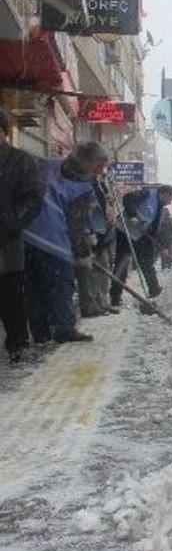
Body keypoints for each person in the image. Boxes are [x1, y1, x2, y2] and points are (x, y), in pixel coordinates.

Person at [23, 142, 110, 343]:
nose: (100, 171)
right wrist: (83, 253)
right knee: (62, 284)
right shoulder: (83, 188)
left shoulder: (47, 164)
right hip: (53, 241)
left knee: (36, 287)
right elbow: (75, 225)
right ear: (87, 162)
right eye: (98, 165)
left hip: (27, 234)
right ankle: (64, 329)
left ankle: (41, 332)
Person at [0, 109, 45, 362]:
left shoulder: (20, 161)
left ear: (4, 132)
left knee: (10, 297)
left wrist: (12, 221)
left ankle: (17, 343)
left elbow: (33, 198)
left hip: (6, 242)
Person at [110, 184, 172, 308]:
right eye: (171, 198)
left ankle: (154, 291)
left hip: (142, 235)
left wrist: (160, 247)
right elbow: (128, 199)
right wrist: (133, 216)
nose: (170, 202)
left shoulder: (161, 209)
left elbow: (155, 229)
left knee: (147, 263)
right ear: (164, 194)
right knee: (122, 263)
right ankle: (115, 296)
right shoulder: (146, 193)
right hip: (125, 232)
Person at [76, 177, 116, 317]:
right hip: (87, 233)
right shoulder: (83, 183)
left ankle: (102, 303)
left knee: (103, 269)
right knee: (87, 271)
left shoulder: (101, 184)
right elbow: (82, 211)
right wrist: (86, 232)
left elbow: (105, 207)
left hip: (102, 233)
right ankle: (89, 306)